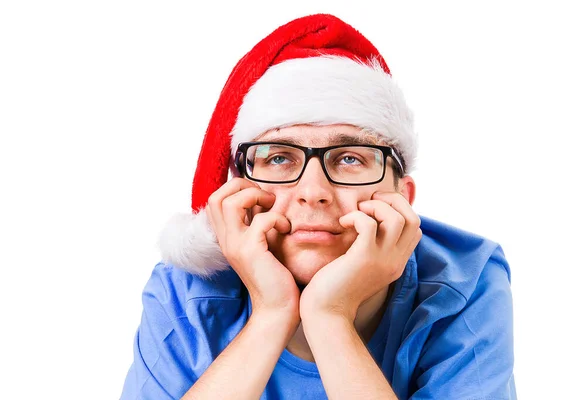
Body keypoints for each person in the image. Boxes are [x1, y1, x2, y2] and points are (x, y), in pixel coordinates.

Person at [120, 13, 516, 400]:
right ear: (237, 193)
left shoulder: (467, 281)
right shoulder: (186, 290)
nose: (314, 191)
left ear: (402, 198)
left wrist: (330, 317)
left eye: (350, 158)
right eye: (278, 158)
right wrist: (272, 314)